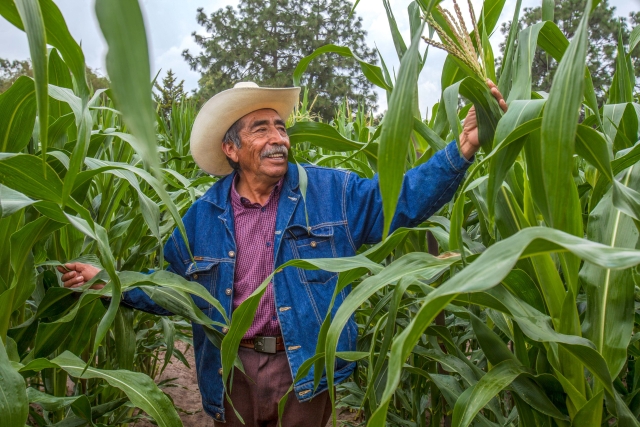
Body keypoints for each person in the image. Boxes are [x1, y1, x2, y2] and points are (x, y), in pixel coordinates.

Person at [59, 80, 507, 426]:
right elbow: (170, 289)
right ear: (231, 149)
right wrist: (108, 280)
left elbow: (403, 201)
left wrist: (463, 148)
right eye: (261, 129)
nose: (279, 138)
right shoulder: (199, 218)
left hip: (304, 368)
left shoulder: (332, 192)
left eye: (280, 127)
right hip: (230, 367)